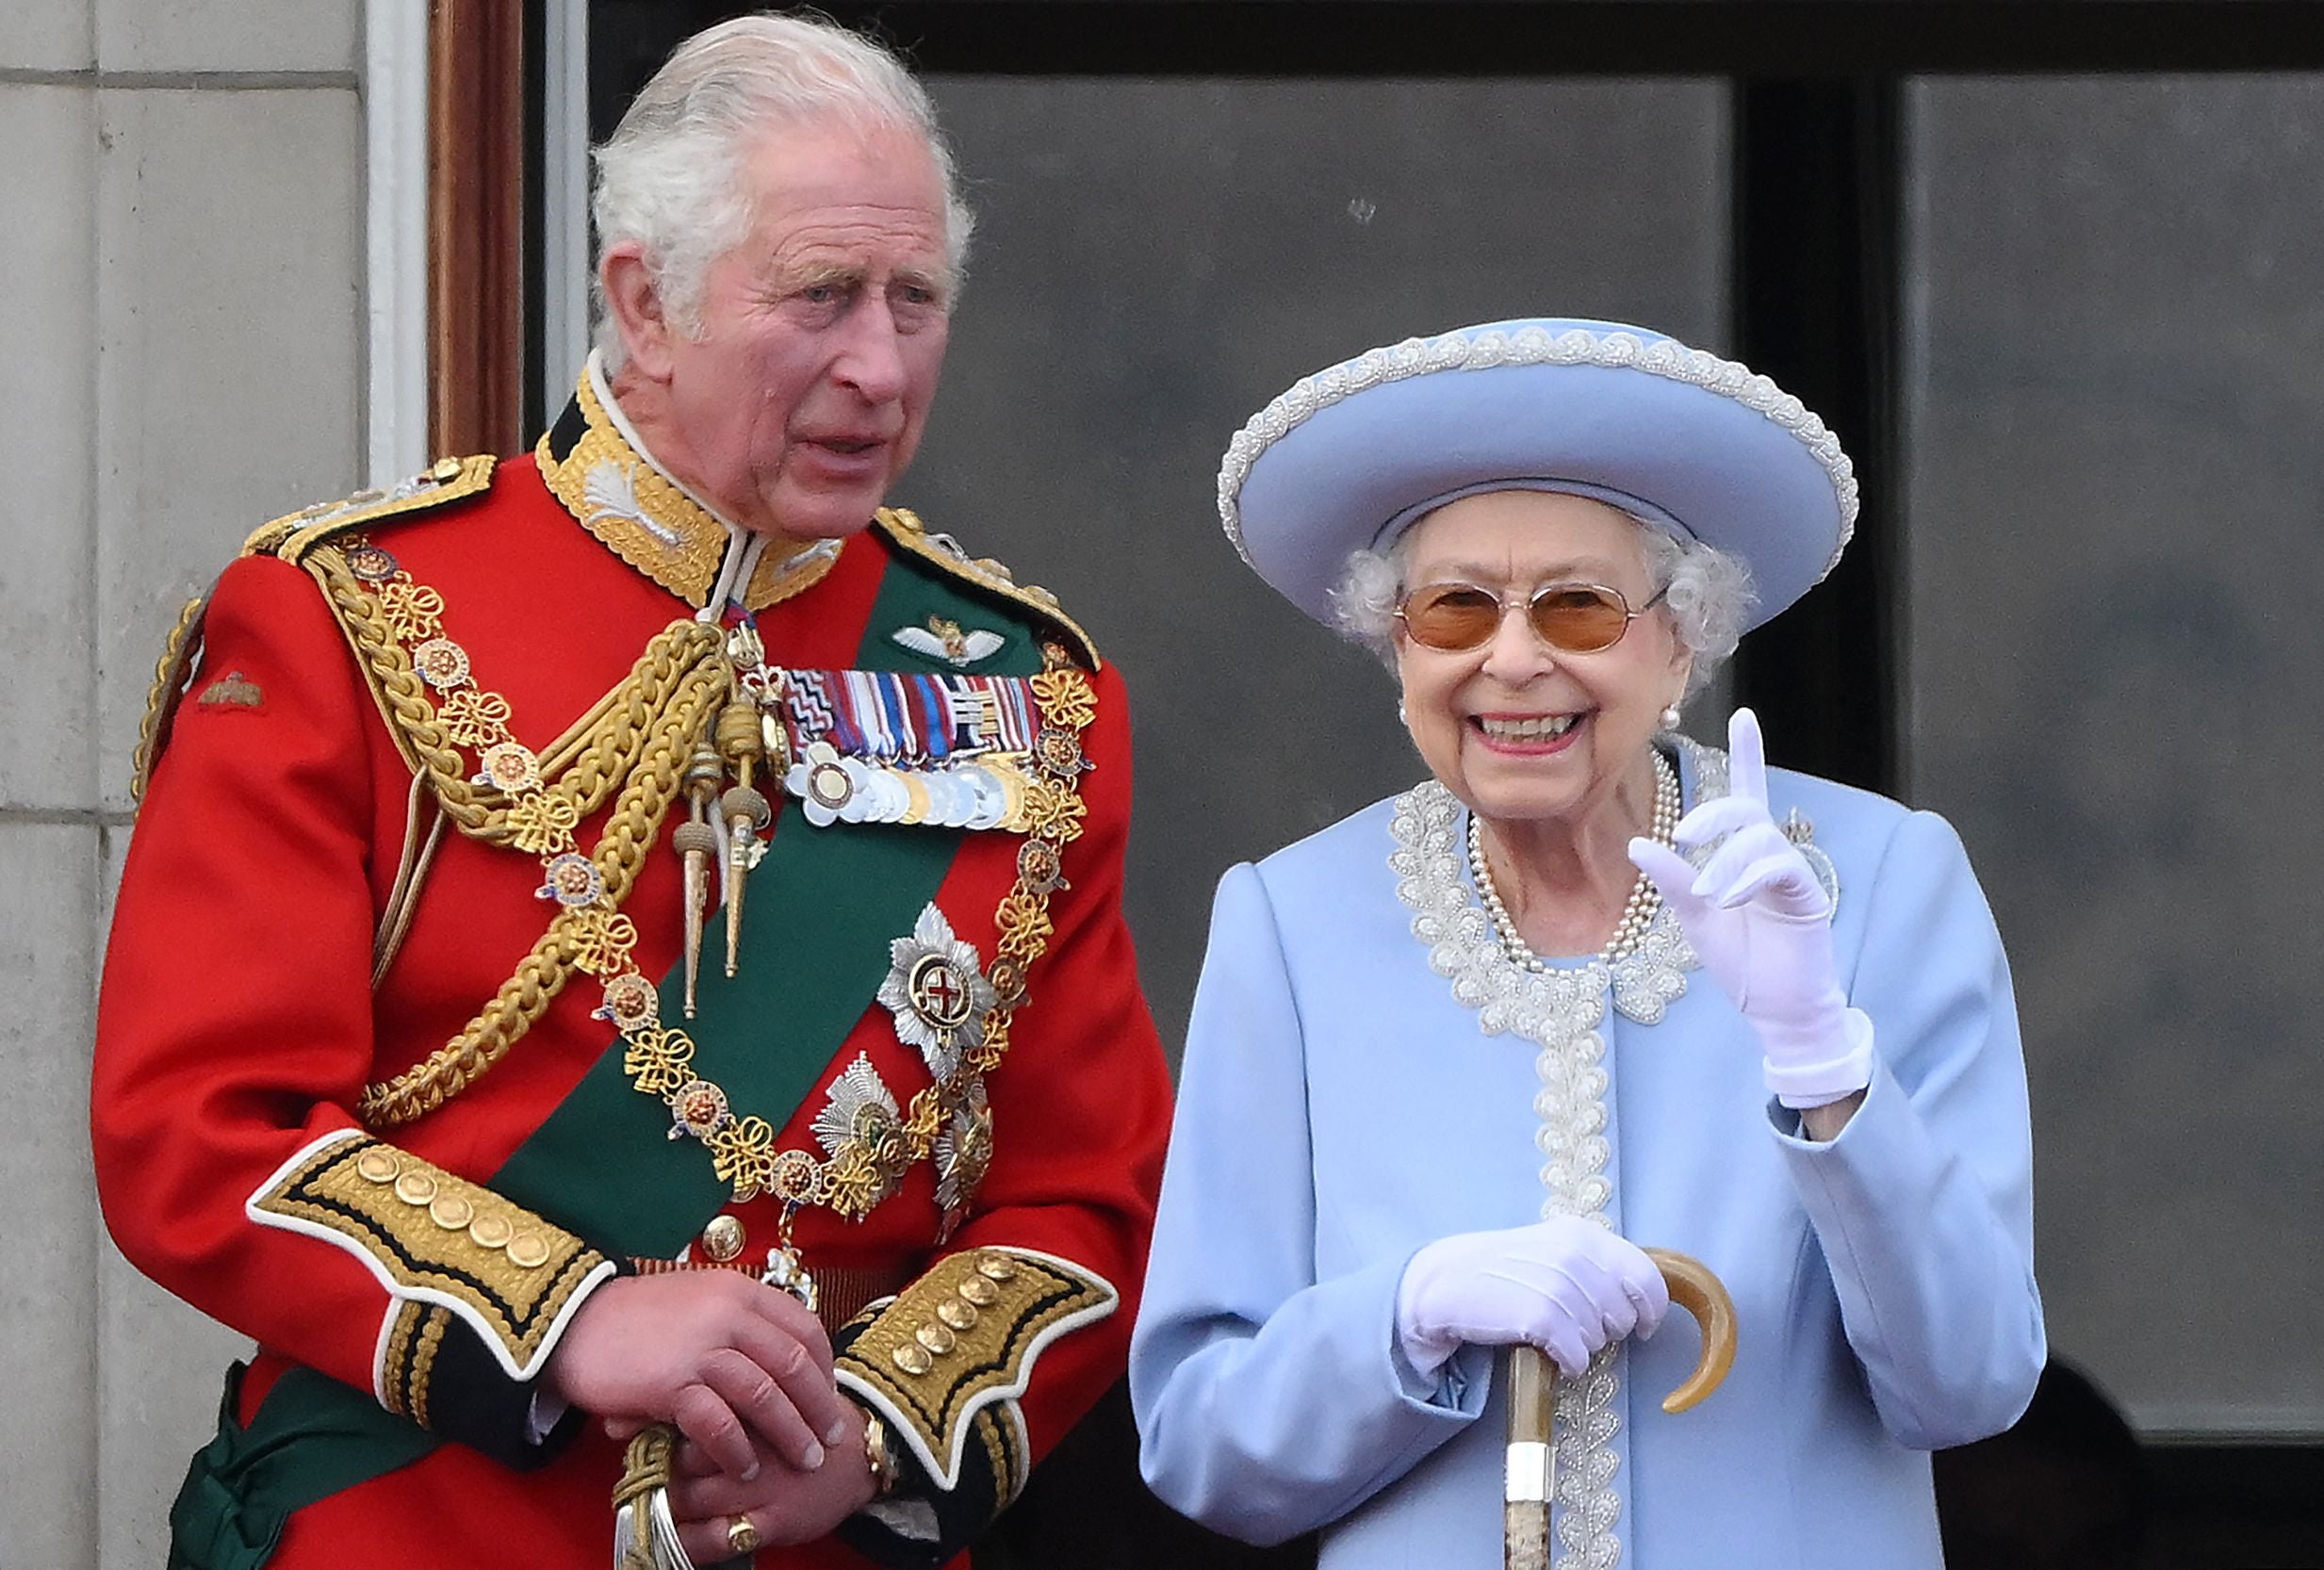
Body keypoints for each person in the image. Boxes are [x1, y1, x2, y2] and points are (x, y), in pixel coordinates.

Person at [94, 15, 1171, 1569]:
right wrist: (572, 1321)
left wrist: (864, 1433)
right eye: (819, 295)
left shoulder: (1025, 691)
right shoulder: (346, 615)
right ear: (642, 301)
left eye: (914, 298)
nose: (877, 361)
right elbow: (195, 1125)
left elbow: (1084, 1202)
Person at [1130, 318, 2044, 1568]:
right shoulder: (1290, 923)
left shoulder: (1878, 881)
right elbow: (1201, 1442)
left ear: (1682, 638)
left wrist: (1825, 1066)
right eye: (1454, 609)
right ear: (1395, 646)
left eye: (1577, 604)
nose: (1513, 659)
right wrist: (1404, 1315)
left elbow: (1972, 1381)